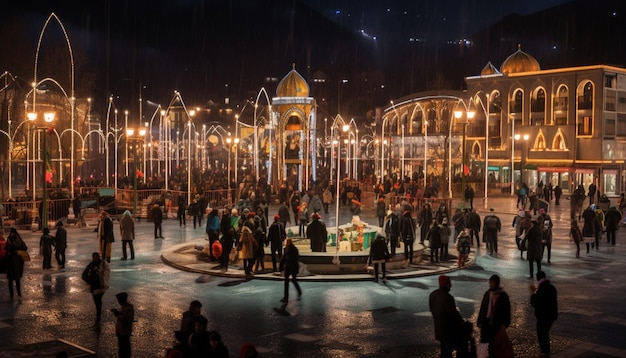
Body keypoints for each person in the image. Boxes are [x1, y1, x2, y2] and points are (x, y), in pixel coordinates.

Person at [429, 275, 464, 358]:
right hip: (448, 331)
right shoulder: (448, 297)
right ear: (447, 284)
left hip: (439, 328)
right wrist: (461, 322)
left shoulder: (433, 295)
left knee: (443, 349)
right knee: (448, 351)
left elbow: (432, 309)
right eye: (449, 283)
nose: (451, 286)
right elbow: (453, 314)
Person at [477, 275, 511, 356]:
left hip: (496, 325)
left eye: (492, 283)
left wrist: (505, 324)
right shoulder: (487, 293)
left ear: (497, 283)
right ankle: (480, 356)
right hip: (486, 323)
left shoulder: (503, 296)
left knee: (494, 344)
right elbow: (483, 308)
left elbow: (507, 311)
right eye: (490, 282)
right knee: (483, 343)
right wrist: (479, 321)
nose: (490, 284)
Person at [529, 271, 558, 356]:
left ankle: (545, 351)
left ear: (538, 278)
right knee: (544, 332)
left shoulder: (541, 289)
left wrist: (533, 293)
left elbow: (536, 303)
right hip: (551, 315)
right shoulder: (552, 287)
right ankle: (545, 350)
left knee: (542, 333)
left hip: (543, 316)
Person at [82, 252, 110, 326]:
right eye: (93, 257)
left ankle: (98, 317)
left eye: (96, 257)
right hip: (94, 287)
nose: (95, 259)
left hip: (100, 286)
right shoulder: (91, 265)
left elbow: (107, 272)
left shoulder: (102, 264)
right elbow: (84, 275)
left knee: (98, 302)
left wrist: (99, 272)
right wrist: (89, 281)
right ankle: (98, 316)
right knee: (97, 302)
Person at [110, 292, 134, 358]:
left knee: (124, 347)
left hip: (124, 331)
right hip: (123, 331)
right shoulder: (126, 307)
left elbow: (124, 318)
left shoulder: (127, 308)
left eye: (118, 300)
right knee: (124, 347)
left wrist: (116, 313)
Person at [5, 228, 27, 300]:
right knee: (10, 280)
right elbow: (6, 248)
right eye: (11, 233)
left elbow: (24, 247)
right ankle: (11, 296)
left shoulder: (18, 239)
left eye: (13, 233)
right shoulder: (8, 239)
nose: (12, 234)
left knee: (17, 279)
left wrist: (17, 251)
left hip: (17, 262)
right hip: (10, 262)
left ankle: (19, 294)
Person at [280, 238, 302, 302]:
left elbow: (283, 258)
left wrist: (281, 267)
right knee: (293, 280)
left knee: (287, 282)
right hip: (293, 267)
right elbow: (296, 258)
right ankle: (299, 291)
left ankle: (286, 297)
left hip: (289, 267)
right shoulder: (295, 249)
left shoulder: (286, 249)